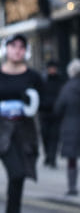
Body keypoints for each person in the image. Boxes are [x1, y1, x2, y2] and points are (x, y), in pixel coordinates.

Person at [0, 34, 43, 213]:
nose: (17, 50)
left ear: (26, 51)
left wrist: (34, 104)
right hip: (2, 131)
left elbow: (46, 101)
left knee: (20, 176)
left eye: (21, 47)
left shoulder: (33, 76)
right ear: (6, 49)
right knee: (17, 173)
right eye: (13, 46)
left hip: (25, 131)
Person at [55, 58, 80, 196]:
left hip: (71, 126)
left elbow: (58, 108)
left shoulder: (67, 88)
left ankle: (72, 187)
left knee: (72, 159)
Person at [39, 60, 66, 168]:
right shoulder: (43, 80)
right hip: (44, 113)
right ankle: (47, 155)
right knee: (45, 136)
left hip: (56, 113)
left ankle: (52, 158)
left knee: (54, 137)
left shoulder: (60, 81)